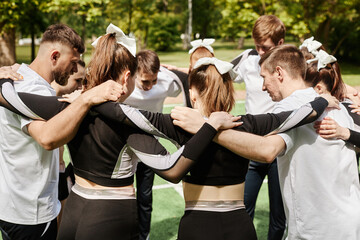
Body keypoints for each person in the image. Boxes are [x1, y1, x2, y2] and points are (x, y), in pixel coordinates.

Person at [0, 51, 334, 240]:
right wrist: (322, 99)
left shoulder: (179, 124)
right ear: (230, 93)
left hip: (193, 226)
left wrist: (86, 98)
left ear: (194, 93)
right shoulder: (247, 125)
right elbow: (299, 115)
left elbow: (9, 96)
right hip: (238, 227)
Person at [0, 24, 240, 240]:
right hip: (109, 217)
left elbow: (9, 97)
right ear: (127, 77)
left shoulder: (68, 107)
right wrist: (209, 127)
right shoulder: (125, 120)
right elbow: (171, 168)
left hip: (72, 212)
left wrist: (3, 78)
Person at [171, 45, 360, 239]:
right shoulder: (336, 105)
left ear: (279, 73)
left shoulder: (291, 106)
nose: (262, 87)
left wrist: (207, 128)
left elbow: (267, 151)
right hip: (350, 220)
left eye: (263, 77)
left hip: (318, 228)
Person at [0, 24, 125, 240]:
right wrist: (87, 99)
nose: (74, 69)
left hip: (16, 205)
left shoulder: (23, 77)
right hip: (30, 211)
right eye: (73, 62)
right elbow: (48, 138)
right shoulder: (28, 86)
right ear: (55, 56)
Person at [230, 15, 287, 240]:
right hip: (252, 145)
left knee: (279, 214)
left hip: (279, 146)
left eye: (265, 47)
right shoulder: (247, 59)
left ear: (280, 44)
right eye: (257, 46)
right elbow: (216, 71)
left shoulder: (292, 63)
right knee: (242, 208)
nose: (260, 52)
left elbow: (321, 80)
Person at [123, 49, 187, 240]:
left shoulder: (167, 81)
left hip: (149, 146)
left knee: (145, 197)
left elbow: (192, 76)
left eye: (154, 80)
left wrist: (176, 70)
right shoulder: (123, 83)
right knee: (123, 196)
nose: (150, 86)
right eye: (145, 81)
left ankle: (144, 236)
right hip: (124, 148)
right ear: (133, 73)